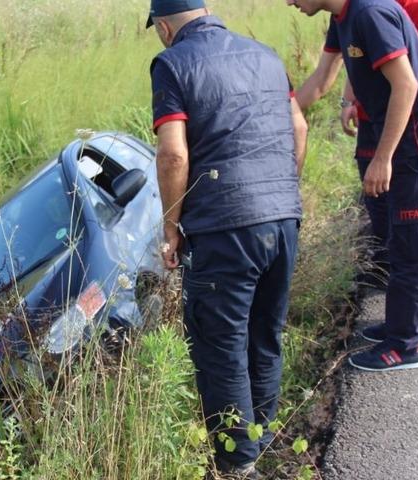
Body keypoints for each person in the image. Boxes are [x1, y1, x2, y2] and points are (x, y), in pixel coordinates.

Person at [147, 0, 308, 476]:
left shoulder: (171, 63)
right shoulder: (266, 54)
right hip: (283, 220)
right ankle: (264, 442)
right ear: (208, 9)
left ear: (162, 26)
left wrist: (171, 228)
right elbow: (298, 127)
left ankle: (238, 466)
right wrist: (281, 191)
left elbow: (173, 156)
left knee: (221, 347)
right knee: (265, 336)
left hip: (223, 227)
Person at [288, 0, 418, 371]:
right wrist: (273, 116)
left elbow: (407, 84)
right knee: (393, 234)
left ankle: (407, 344)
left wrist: (383, 159)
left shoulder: (369, 13)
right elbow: (320, 81)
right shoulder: (341, 15)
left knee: (411, 242)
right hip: (393, 134)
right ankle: (406, 322)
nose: (289, 2)